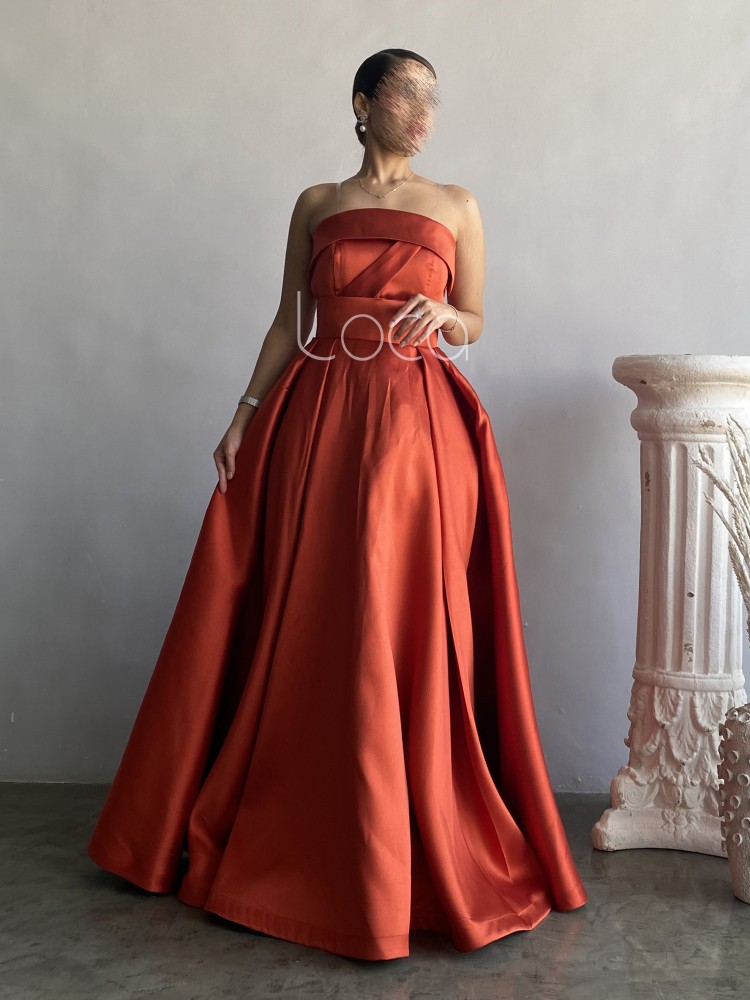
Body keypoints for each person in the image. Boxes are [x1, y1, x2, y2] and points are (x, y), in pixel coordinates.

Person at [87, 47, 588, 961]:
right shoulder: (316, 203)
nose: (426, 112)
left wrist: (449, 320)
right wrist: (244, 415)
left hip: (419, 428)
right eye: (408, 94)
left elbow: (476, 317)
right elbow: (292, 321)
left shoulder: (457, 205)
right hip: (318, 416)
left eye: (434, 98)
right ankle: (307, 827)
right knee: (319, 611)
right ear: (363, 102)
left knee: (401, 614)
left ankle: (411, 834)